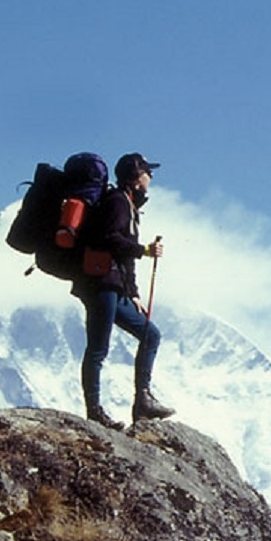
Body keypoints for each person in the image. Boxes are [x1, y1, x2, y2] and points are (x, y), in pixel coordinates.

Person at [74, 152, 176, 429]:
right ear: (135, 177)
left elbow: (124, 255)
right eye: (146, 172)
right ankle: (95, 412)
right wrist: (144, 250)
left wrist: (133, 293)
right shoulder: (118, 201)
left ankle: (142, 402)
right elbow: (109, 239)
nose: (150, 177)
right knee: (98, 348)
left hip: (112, 285)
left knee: (150, 334)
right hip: (100, 283)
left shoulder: (128, 205)